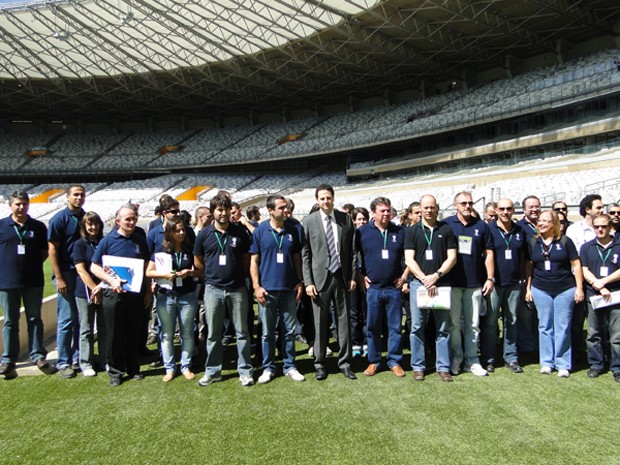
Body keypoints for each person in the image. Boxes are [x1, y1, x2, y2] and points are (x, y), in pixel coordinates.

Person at [194, 193, 253, 387]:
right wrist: (211, 276)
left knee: (242, 332)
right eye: (219, 209)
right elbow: (198, 261)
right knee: (213, 333)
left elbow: (246, 259)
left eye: (226, 209)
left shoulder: (240, 232)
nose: (223, 213)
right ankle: (213, 371)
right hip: (213, 289)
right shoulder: (204, 234)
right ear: (213, 212)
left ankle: (245, 370)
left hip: (237, 289)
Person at [91, 204, 152, 387]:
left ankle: (134, 369)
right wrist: (111, 280)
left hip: (136, 296)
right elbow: (94, 267)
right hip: (113, 296)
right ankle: (116, 372)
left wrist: (148, 291)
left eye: (134, 218)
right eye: (128, 219)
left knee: (134, 333)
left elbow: (146, 266)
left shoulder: (141, 240)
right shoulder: (107, 241)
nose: (132, 222)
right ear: (118, 221)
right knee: (115, 335)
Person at [302, 183, 357, 381]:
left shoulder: (345, 220)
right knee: (319, 323)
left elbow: (352, 252)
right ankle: (319, 363)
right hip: (319, 280)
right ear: (317, 200)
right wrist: (308, 281)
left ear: (333, 198)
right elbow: (305, 254)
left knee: (344, 322)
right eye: (322, 198)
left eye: (329, 197)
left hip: (341, 277)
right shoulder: (308, 222)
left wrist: (351, 277)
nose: (326, 201)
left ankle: (345, 363)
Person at [250, 195, 305, 384]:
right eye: (281, 207)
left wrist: (300, 281)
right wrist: (256, 286)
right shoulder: (260, 231)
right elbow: (254, 261)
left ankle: (290, 365)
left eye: (285, 207)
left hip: (289, 288)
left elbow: (297, 258)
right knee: (267, 332)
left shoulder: (293, 229)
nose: (285, 210)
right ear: (270, 211)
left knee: (289, 330)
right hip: (267, 290)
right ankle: (268, 367)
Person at [404, 194, 457, 381]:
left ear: (437, 208)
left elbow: (452, 257)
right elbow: (409, 259)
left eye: (431, 207)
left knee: (442, 328)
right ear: (421, 207)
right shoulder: (412, 231)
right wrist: (424, 278)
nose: (428, 210)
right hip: (419, 283)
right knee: (417, 326)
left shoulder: (446, 229)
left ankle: (443, 366)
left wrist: (436, 276)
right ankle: (418, 366)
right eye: (425, 207)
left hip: (441, 284)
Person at [525, 210, 584, 377]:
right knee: (544, 326)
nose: (541, 223)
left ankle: (563, 363)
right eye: (540, 221)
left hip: (564, 289)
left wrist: (579, 287)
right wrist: (528, 289)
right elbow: (529, 267)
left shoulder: (565, 241)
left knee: (563, 326)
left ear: (554, 224)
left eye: (546, 221)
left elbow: (576, 265)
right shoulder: (533, 243)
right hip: (540, 288)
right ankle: (546, 362)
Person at [0, 190, 52, 377]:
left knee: (34, 319)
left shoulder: (37, 227)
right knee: (10, 321)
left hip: (33, 281)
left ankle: (38, 355)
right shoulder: (2, 226)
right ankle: (8, 359)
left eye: (24, 203)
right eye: (17, 204)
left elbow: (44, 252)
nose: (21, 207)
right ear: (10, 206)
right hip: (7, 282)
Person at [356, 197, 407, 377]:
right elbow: (354, 257)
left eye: (388, 210)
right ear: (373, 213)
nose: (386, 214)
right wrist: (360, 276)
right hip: (374, 289)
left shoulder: (400, 231)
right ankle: (374, 361)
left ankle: (394, 361)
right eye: (382, 211)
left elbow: (409, 256)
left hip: (393, 288)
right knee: (372, 327)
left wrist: (405, 276)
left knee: (394, 327)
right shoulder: (362, 232)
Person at [445, 192, 495, 376]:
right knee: (454, 324)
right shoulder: (447, 224)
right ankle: (456, 359)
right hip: (452, 283)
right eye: (463, 203)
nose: (467, 206)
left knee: (473, 324)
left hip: (475, 283)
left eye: (470, 203)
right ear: (455, 204)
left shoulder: (481, 226)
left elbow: (489, 253)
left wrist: (490, 277)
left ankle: (472, 360)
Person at [146, 216, 198, 382]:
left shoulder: (190, 248)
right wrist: (164, 275)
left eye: (183, 229)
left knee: (187, 332)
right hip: (166, 296)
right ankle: (169, 368)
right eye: (177, 230)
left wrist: (190, 273)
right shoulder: (161, 251)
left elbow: (199, 271)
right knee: (167, 334)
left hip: (187, 295)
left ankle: (186, 366)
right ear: (169, 232)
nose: (181, 233)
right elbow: (149, 272)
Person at [481, 198, 526, 373]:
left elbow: (524, 257)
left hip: (513, 283)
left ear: (513, 210)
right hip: (494, 283)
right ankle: (489, 357)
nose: (505, 212)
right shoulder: (488, 229)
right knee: (491, 322)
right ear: (496, 210)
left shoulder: (519, 230)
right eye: (502, 209)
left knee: (512, 321)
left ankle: (511, 357)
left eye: (509, 208)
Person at [48, 184, 86, 379]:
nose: (79, 198)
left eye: (82, 195)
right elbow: (52, 249)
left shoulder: (85, 217)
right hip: (66, 274)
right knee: (66, 319)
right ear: (67, 197)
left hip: (82, 273)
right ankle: (63, 361)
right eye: (76, 195)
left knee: (81, 318)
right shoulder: (59, 219)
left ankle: (79, 357)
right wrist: (60, 277)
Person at [580, 213, 620, 381]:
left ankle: (616, 367)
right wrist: (597, 284)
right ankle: (596, 364)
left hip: (615, 295)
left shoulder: (618, 245)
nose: (600, 229)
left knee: (617, 335)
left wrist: (603, 282)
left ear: (610, 227)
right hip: (594, 295)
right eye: (596, 226)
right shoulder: (587, 247)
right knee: (593, 333)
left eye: (603, 226)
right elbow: (583, 269)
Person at [566, 194, 605, 364]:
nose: (601, 210)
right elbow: (573, 260)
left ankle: (602, 356)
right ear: (588, 210)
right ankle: (577, 355)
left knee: (600, 323)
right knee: (577, 322)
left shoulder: (606, 229)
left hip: (603, 283)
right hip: (579, 282)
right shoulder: (574, 230)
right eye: (598, 207)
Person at [73, 212, 106, 377]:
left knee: (104, 327)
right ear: (84, 226)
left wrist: (102, 286)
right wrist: (94, 288)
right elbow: (81, 270)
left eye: (96, 224)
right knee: (86, 328)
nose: (93, 227)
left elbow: (109, 267)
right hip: (84, 292)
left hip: (104, 288)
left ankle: (105, 359)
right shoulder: (79, 245)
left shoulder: (104, 242)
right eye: (89, 224)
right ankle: (86, 362)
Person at [516, 195, 542, 355]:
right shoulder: (519, 227)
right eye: (531, 207)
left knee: (541, 314)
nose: (534, 209)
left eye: (537, 206)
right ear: (524, 209)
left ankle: (540, 344)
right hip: (525, 274)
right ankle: (527, 348)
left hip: (543, 275)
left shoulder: (545, 224)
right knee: (525, 313)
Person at [349, 206, 369, 357]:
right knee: (354, 313)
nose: (362, 221)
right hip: (353, 279)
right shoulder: (350, 236)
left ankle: (368, 342)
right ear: (353, 221)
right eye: (359, 219)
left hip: (368, 279)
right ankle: (356, 343)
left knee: (368, 312)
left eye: (364, 218)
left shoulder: (370, 234)